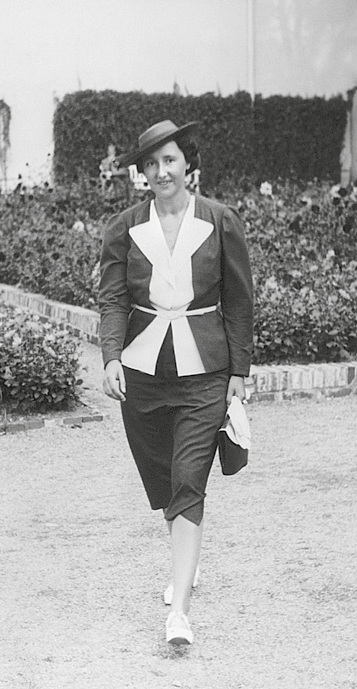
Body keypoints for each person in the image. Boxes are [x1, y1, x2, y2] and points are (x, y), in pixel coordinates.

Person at [99, 119, 253, 646]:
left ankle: (179, 612)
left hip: (204, 372)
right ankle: (183, 565)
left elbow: (238, 300)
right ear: (142, 173)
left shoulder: (220, 221)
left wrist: (239, 372)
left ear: (188, 163)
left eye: (170, 160)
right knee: (165, 478)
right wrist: (111, 357)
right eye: (152, 164)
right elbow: (114, 297)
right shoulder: (123, 228)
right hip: (143, 374)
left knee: (190, 479)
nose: (162, 171)